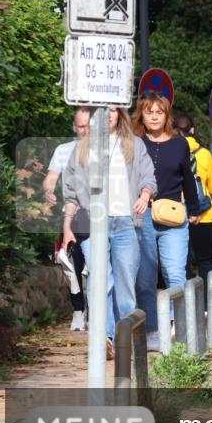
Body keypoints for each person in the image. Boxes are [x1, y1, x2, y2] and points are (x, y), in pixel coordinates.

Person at [62, 106, 156, 359]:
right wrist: (67, 227)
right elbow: (70, 193)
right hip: (94, 224)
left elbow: (149, 176)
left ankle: (126, 339)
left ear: (120, 114)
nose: (108, 114)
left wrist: (145, 195)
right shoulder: (81, 149)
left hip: (126, 221)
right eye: (103, 110)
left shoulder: (134, 144)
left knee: (125, 284)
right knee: (100, 280)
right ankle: (104, 338)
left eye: (113, 110)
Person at [134, 94, 204, 350]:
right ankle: (153, 331)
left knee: (175, 274)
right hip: (143, 217)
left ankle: (177, 327)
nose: (154, 116)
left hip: (174, 217)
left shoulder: (180, 144)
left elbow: (188, 178)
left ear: (167, 116)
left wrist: (194, 209)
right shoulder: (135, 143)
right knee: (145, 279)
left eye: (159, 112)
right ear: (141, 115)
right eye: (149, 111)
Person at [43, 107, 91, 331]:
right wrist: (49, 190)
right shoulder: (63, 150)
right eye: (81, 126)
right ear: (74, 127)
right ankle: (78, 310)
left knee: (95, 266)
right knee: (71, 266)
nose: (85, 130)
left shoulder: (105, 149)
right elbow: (51, 176)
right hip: (71, 217)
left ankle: (95, 310)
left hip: (98, 215)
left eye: (88, 125)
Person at [174, 113, 212, 282]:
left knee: (181, 264)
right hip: (204, 216)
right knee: (205, 263)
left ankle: (184, 307)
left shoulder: (172, 151)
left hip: (178, 215)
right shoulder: (205, 154)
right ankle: (207, 307)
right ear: (192, 130)